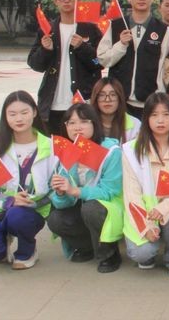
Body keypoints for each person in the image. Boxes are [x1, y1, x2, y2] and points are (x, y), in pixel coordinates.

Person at [0, 92, 51, 269]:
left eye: (24, 112)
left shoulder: (50, 147)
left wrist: (30, 202)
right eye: (12, 114)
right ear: (5, 117)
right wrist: (10, 201)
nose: (19, 118)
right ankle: (1, 243)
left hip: (31, 211)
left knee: (18, 216)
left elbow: (53, 191)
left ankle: (27, 251)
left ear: (34, 112)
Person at [47, 103, 123, 273]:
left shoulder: (111, 151)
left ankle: (109, 253)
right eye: (71, 123)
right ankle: (86, 246)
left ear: (94, 123)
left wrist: (76, 191)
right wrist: (61, 193)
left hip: (108, 207)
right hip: (81, 207)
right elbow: (62, 204)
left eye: (83, 121)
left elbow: (110, 192)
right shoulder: (67, 151)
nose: (77, 127)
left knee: (91, 208)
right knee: (55, 219)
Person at [121, 92, 169, 278]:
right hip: (144, 212)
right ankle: (150, 253)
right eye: (154, 115)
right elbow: (131, 194)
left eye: (166, 114)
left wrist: (164, 207)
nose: (160, 120)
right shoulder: (131, 150)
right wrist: (146, 226)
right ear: (146, 119)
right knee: (142, 254)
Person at [27, 0, 102, 134]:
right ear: (55, 0)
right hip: (52, 105)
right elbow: (35, 64)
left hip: (82, 103)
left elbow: (99, 63)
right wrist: (45, 50)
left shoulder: (90, 29)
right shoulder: (47, 29)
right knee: (54, 147)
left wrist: (83, 47)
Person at [97, 0, 169, 119]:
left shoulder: (162, 29)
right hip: (119, 101)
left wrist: (159, 97)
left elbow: (163, 65)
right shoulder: (116, 25)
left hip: (149, 102)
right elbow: (102, 59)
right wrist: (121, 45)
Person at [90, 77, 141, 143]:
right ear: (95, 99)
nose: (107, 100)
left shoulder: (135, 124)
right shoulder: (87, 122)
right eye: (102, 95)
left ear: (120, 98)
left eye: (113, 95)